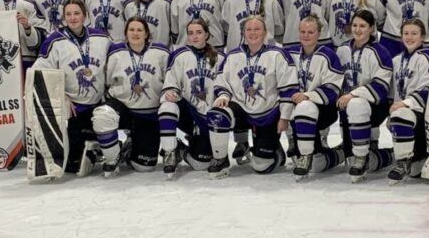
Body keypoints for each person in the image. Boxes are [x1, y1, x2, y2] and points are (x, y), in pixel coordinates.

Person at [207, 17, 298, 179]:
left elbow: (288, 89)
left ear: (265, 32)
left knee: (261, 166)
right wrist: (223, 95)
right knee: (218, 114)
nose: (252, 33)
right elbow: (222, 81)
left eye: (257, 29)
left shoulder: (278, 55)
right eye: (249, 29)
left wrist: (284, 118)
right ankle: (220, 159)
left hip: (269, 113)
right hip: (242, 110)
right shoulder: (233, 56)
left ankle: (274, 150)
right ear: (243, 33)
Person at [32, 0, 111, 174]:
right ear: (63, 17)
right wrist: (62, 96)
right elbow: (39, 72)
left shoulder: (102, 38)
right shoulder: (54, 40)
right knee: (72, 165)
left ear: (85, 15)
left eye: (77, 13)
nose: (73, 17)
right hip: (74, 108)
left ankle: (103, 148)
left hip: (98, 104)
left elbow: (114, 67)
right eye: (68, 14)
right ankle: (87, 149)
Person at [93, 16, 169, 175]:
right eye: (131, 30)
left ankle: (130, 147)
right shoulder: (115, 51)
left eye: (139, 30)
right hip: (124, 110)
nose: (135, 33)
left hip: (149, 115)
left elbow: (169, 82)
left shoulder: (161, 53)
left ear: (147, 33)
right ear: (126, 33)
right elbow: (107, 80)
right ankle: (112, 158)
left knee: (145, 166)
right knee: (103, 116)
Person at [159, 18, 223, 176]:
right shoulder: (179, 55)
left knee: (200, 164)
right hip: (188, 111)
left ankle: (183, 149)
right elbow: (171, 82)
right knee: (168, 106)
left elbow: (225, 86)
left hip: (208, 115)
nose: (195, 36)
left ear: (207, 34)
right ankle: (170, 150)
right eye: (191, 33)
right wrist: (170, 92)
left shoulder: (220, 58)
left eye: (199, 32)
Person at [336, 10, 395, 181]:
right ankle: (374, 154)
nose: (358, 29)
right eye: (355, 25)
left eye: (362, 26)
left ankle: (373, 155)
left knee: (355, 104)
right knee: (350, 159)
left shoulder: (380, 52)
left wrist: (353, 95)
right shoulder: (342, 50)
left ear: (371, 29)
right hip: (347, 107)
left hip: (376, 106)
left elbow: (382, 87)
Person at [289, 15, 346, 179]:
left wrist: (306, 96)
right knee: (316, 164)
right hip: (297, 113)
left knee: (305, 106)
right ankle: (312, 152)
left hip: (323, 111)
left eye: (311, 32)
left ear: (319, 33)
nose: (306, 35)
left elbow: (332, 89)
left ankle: (337, 153)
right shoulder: (290, 53)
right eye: (303, 31)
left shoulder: (329, 56)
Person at [387, 19, 429, 183]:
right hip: (404, 115)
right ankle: (414, 156)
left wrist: (406, 103)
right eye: (406, 33)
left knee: (401, 115)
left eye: (414, 34)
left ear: (423, 37)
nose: (409, 37)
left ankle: (403, 162)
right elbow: (391, 92)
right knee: (416, 171)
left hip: (424, 115)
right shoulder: (396, 60)